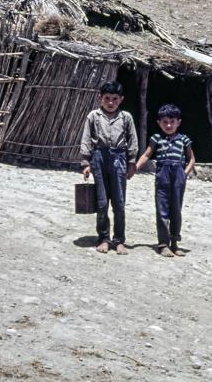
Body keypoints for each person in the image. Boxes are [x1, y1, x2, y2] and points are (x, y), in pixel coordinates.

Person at [80, 80, 139, 255]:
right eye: (107, 98)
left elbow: (133, 140)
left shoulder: (126, 117)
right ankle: (104, 238)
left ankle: (119, 240)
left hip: (119, 159)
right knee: (102, 202)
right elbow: (86, 139)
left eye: (115, 99)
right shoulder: (93, 116)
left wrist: (132, 162)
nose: (111, 102)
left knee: (119, 202)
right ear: (100, 98)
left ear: (121, 99)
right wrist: (86, 163)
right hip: (99, 158)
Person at [135, 104, 195, 257]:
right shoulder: (156, 138)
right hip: (162, 176)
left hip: (178, 177)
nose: (168, 125)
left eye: (172, 122)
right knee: (162, 209)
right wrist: (134, 168)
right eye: (165, 122)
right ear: (159, 123)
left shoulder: (184, 140)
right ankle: (163, 244)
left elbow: (191, 159)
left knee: (176, 209)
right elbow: (146, 155)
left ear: (178, 122)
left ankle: (174, 243)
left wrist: (184, 174)